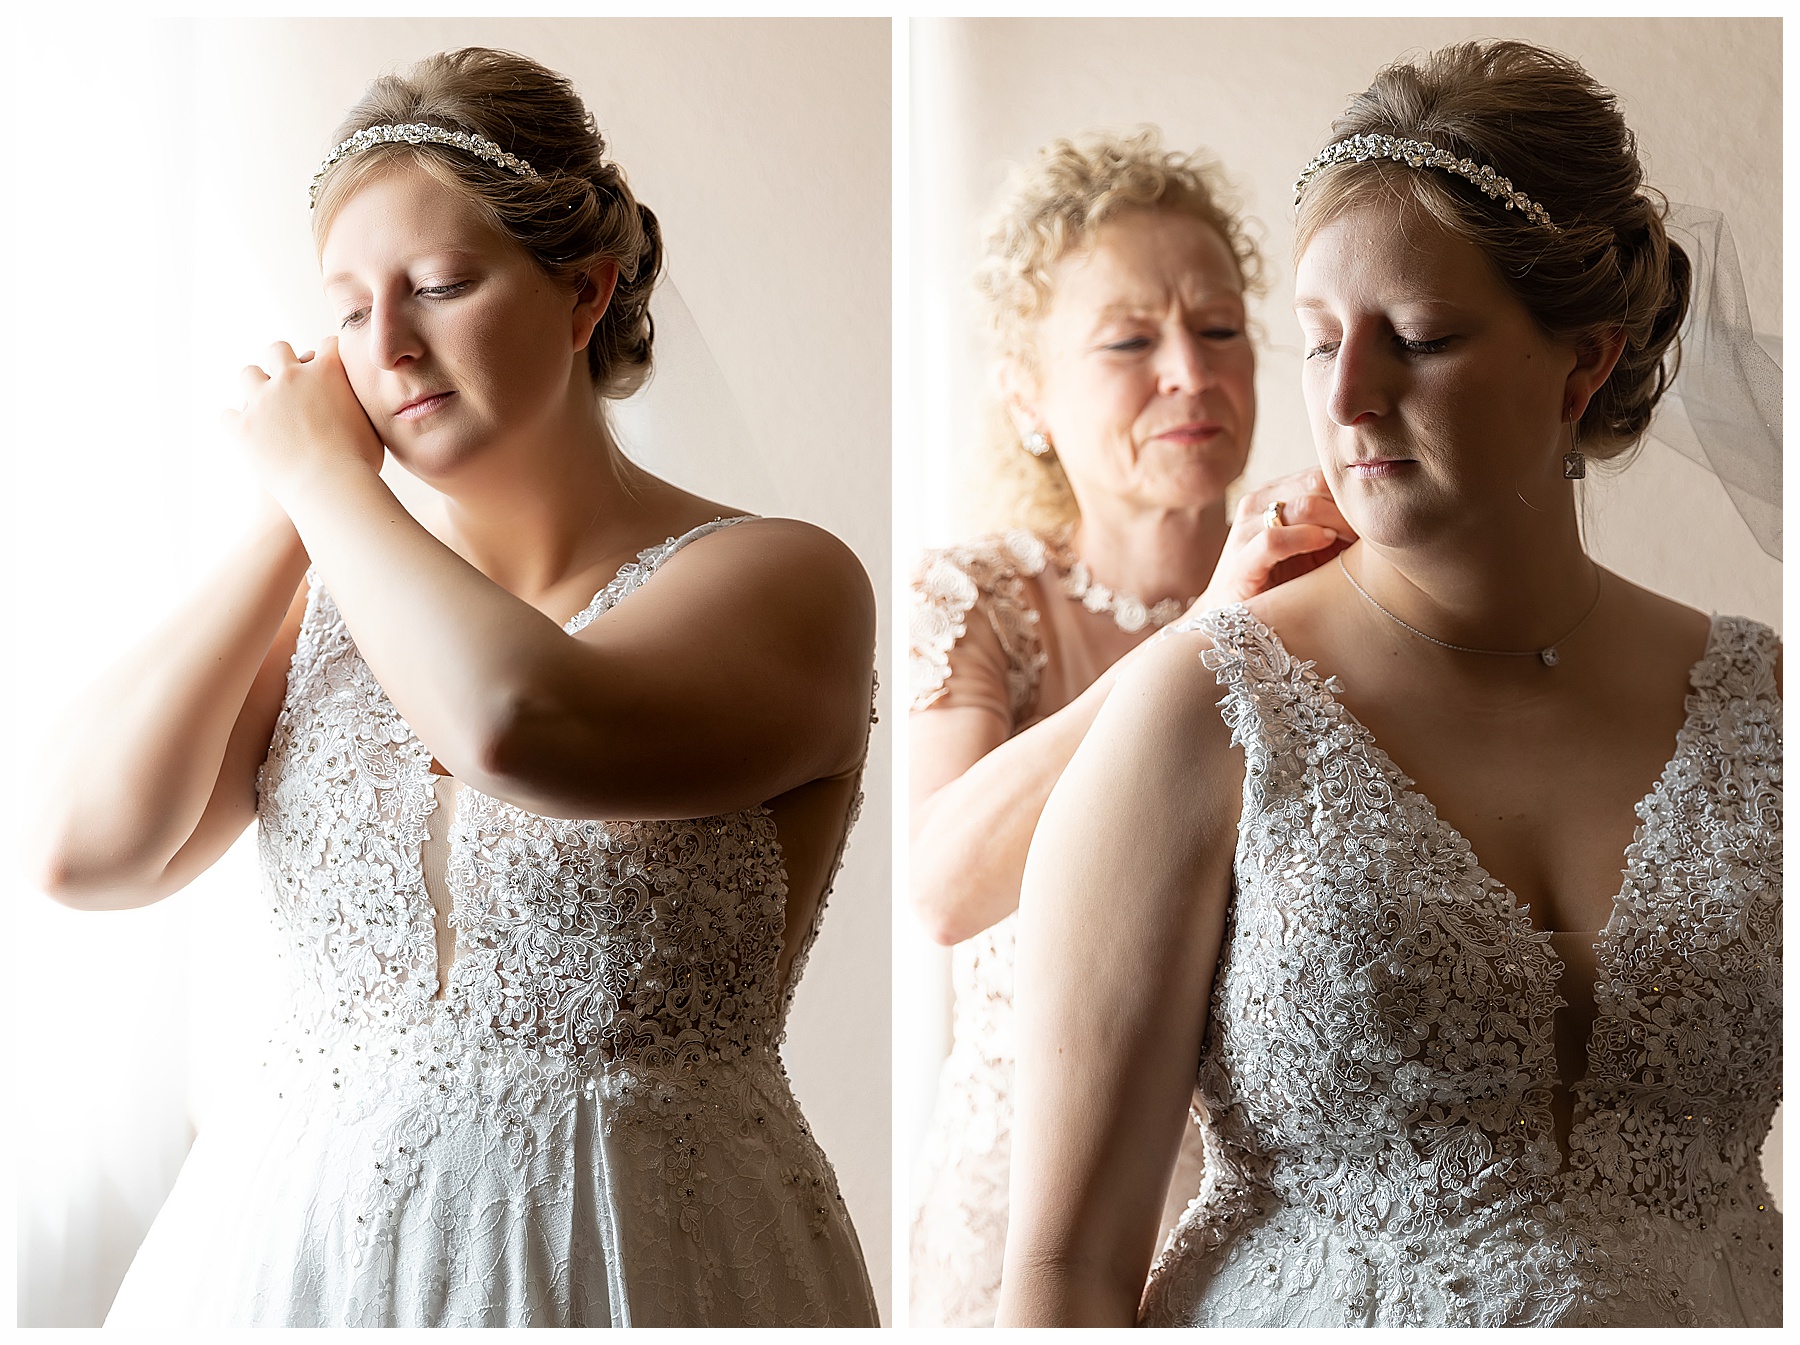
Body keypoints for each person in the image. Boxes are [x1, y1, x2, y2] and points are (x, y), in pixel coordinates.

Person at [28, 47, 879, 1328]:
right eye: (350, 309)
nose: (389, 346)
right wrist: (287, 515)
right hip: (298, 1252)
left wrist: (328, 486)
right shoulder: (330, 585)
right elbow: (80, 850)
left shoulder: (787, 581)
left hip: (638, 1249)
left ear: (585, 293)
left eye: (438, 286)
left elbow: (517, 722)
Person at [997, 40, 1781, 1328]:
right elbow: (1063, 1273)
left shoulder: (1766, 711)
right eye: (1315, 342)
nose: (1348, 398)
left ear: (1585, 363)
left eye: (1416, 339)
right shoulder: (1203, 708)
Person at [907, 130, 1352, 1326]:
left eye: (1218, 330)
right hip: (1022, 1218)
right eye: (1127, 341)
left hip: (1272, 1211)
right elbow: (944, 885)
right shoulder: (979, 595)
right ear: (1026, 393)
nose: (1189, 374)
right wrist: (1201, 631)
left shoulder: (1330, 587)